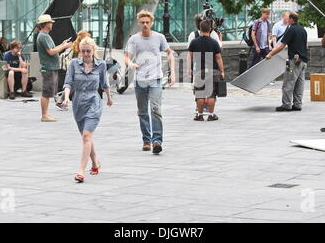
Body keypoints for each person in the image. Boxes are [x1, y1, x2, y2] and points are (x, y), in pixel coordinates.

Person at [62, 37, 113, 183]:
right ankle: (95, 162)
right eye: (83, 51)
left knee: (86, 136)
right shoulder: (73, 64)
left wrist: (109, 98)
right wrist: (66, 98)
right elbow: (68, 82)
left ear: (93, 50)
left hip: (94, 102)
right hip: (78, 103)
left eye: (88, 51)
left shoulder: (101, 64)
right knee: (87, 137)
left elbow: (105, 83)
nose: (85, 54)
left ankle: (81, 171)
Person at [124, 10, 175, 154]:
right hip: (140, 80)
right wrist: (131, 64)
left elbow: (169, 53)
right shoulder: (134, 39)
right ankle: (146, 139)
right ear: (139, 23)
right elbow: (127, 57)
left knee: (156, 110)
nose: (145, 25)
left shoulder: (159, 38)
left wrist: (173, 72)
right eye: (142, 22)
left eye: (147, 22)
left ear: (151, 22)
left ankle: (157, 141)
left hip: (156, 79)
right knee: (142, 112)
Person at [266, 12, 308, 111]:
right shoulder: (303, 30)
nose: (287, 21)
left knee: (288, 82)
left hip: (294, 60)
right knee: (299, 84)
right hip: (303, 61)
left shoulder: (291, 29)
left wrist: (270, 54)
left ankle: (286, 104)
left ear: (291, 19)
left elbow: (282, 45)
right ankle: (297, 104)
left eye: (288, 19)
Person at [36, 14, 72, 122]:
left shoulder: (45, 35)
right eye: (50, 22)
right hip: (48, 68)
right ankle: (44, 115)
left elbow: (53, 49)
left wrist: (61, 44)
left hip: (51, 67)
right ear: (46, 24)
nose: (52, 24)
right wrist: (64, 46)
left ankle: (46, 114)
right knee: (46, 92)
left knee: (48, 92)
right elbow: (51, 52)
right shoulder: (43, 36)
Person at [187, 19, 225, 121]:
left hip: (199, 71)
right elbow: (218, 58)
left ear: (200, 29)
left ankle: (199, 115)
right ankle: (211, 115)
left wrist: (189, 69)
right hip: (213, 70)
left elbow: (189, 56)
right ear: (210, 29)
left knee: (200, 94)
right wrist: (222, 71)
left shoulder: (194, 42)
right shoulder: (214, 42)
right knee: (211, 94)